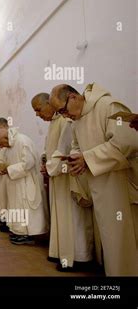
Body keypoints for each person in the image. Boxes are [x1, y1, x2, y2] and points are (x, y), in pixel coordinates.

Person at [49, 83, 137, 276]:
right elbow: (76, 146)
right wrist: (76, 159)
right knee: (111, 242)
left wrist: (87, 159)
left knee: (124, 242)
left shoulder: (109, 106)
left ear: (72, 96)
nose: (64, 116)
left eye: (63, 110)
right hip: (100, 189)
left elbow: (127, 142)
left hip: (121, 186)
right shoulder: (77, 121)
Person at [31, 93, 94, 271]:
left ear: (50, 104)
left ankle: (80, 257)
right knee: (60, 217)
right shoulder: (54, 122)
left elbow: (65, 150)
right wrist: (46, 162)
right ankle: (61, 252)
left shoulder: (66, 122)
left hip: (69, 177)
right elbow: (51, 150)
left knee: (73, 218)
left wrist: (50, 166)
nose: (37, 114)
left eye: (38, 109)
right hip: (57, 176)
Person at [0, 128, 49, 244]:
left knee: (26, 209)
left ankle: (29, 235)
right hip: (14, 183)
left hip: (26, 183)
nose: (2, 147)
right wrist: (2, 168)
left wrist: (8, 170)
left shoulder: (23, 141)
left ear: (6, 138)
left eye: (1, 144)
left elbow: (28, 164)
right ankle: (19, 232)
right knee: (16, 208)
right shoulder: (9, 145)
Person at [0, 118, 9, 232]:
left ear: (4, 126)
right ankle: (3, 220)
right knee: (2, 198)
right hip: (1, 174)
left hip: (8, 174)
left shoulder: (9, 138)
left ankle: (8, 222)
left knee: (7, 199)